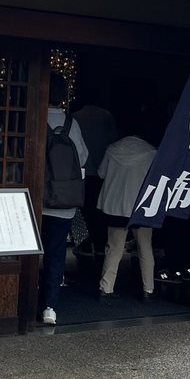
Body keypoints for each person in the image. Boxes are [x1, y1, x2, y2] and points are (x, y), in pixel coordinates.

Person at [40, 72, 88, 326]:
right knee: (56, 254)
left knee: (28, 252)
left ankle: (22, 301)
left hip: (36, 199)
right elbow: (83, 156)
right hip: (63, 203)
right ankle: (49, 306)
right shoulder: (71, 124)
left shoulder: (34, 118)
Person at [96, 134, 157, 299]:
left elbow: (101, 173)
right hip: (141, 207)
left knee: (114, 248)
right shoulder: (151, 152)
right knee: (145, 247)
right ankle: (148, 289)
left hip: (115, 205)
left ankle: (105, 288)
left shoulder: (112, 149)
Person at [73, 96, 118, 269]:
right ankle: (99, 243)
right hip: (103, 169)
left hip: (83, 170)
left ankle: (86, 242)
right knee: (100, 209)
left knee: (85, 208)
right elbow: (113, 140)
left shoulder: (75, 117)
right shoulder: (106, 116)